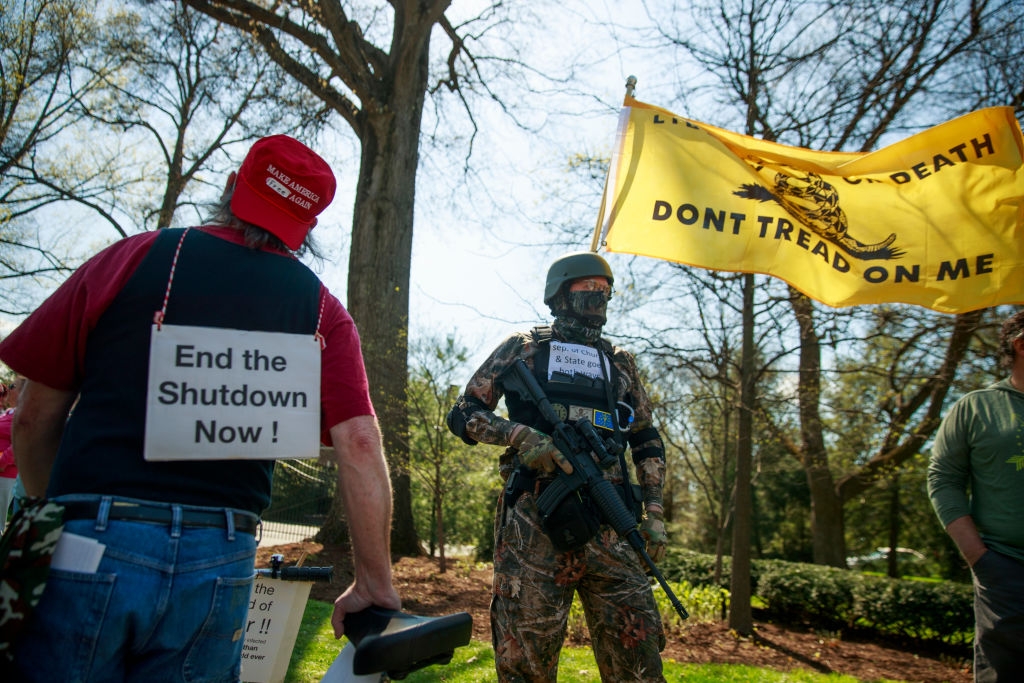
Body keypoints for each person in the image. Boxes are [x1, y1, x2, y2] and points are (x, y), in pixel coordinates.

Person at [0, 135, 401, 681]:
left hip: (92, 539)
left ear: (233, 187)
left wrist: (50, 512)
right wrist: (375, 582)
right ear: (304, 230)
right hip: (222, 555)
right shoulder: (323, 309)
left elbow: (33, 415)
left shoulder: (132, 256)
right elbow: (358, 442)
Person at [447, 251, 668, 682]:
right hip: (536, 523)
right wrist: (519, 437)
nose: (600, 297)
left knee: (639, 659)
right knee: (526, 659)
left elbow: (645, 437)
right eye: (589, 288)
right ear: (561, 294)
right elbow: (463, 411)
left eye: (606, 291)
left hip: (614, 523)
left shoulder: (619, 361)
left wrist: (655, 515)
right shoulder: (523, 348)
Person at [927, 309, 1024, 683]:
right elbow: (943, 478)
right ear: (1021, 345)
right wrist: (979, 558)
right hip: (1006, 572)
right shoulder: (976, 407)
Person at [0, 377, 24, 530]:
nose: (8, 390)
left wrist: (2, 463)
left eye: (12, 386)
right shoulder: (9, 413)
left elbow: (19, 445)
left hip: (6, 473)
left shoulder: (23, 415)